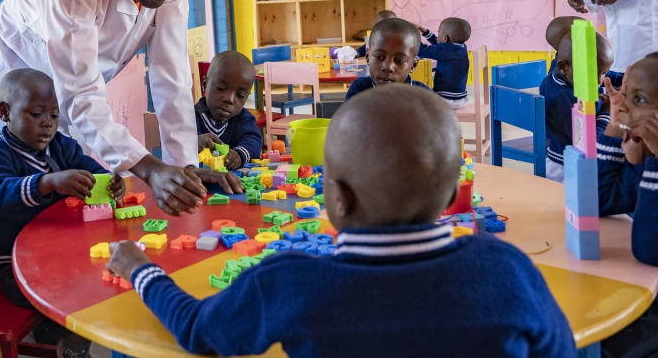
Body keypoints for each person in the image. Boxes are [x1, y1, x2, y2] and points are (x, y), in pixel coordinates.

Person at [104, 85, 576, 358]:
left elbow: (197, 330)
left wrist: (139, 269)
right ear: (454, 194)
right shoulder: (506, 269)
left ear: (335, 200)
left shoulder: (290, 282)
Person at [0, 0, 242, 216]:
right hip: (22, 73)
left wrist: (183, 165)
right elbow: (79, 96)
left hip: (76, 84)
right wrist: (151, 169)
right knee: (27, 187)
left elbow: (170, 75)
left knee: (85, 189)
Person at [0, 69, 124, 358]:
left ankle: (61, 332)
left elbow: (88, 166)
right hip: (19, 268)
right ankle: (72, 348)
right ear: (5, 112)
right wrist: (48, 182)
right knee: (82, 292)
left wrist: (111, 180)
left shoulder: (59, 146)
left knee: (105, 274)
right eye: (36, 114)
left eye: (54, 116)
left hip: (59, 252)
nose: (47, 125)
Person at [595, 55, 658, 358]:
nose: (626, 106)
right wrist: (615, 124)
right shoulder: (645, 147)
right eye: (626, 93)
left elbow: (649, 249)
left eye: (639, 99)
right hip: (643, 290)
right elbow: (600, 199)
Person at [539, 33, 617, 182]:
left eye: (604, 73)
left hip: (566, 157)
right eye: (592, 74)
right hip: (567, 169)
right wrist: (606, 111)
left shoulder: (559, 78)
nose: (599, 80)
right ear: (563, 67)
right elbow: (589, 143)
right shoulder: (564, 97)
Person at [195, 51, 261, 171]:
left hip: (235, 184)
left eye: (240, 95)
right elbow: (179, 139)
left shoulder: (243, 119)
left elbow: (254, 140)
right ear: (205, 85)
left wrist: (239, 154)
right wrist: (196, 140)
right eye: (221, 88)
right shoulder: (190, 116)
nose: (229, 99)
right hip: (197, 181)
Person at [344, 18, 432, 101]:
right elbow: (347, 116)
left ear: (413, 65)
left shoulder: (424, 96)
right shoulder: (360, 89)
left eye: (399, 60)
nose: (388, 67)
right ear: (368, 57)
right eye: (379, 57)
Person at [417, 17, 471, 109]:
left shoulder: (446, 50)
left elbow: (422, 51)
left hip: (445, 99)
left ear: (445, 38)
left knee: (417, 86)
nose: (437, 35)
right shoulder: (460, 47)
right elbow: (440, 45)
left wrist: (413, 38)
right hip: (460, 99)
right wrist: (426, 33)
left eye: (438, 33)